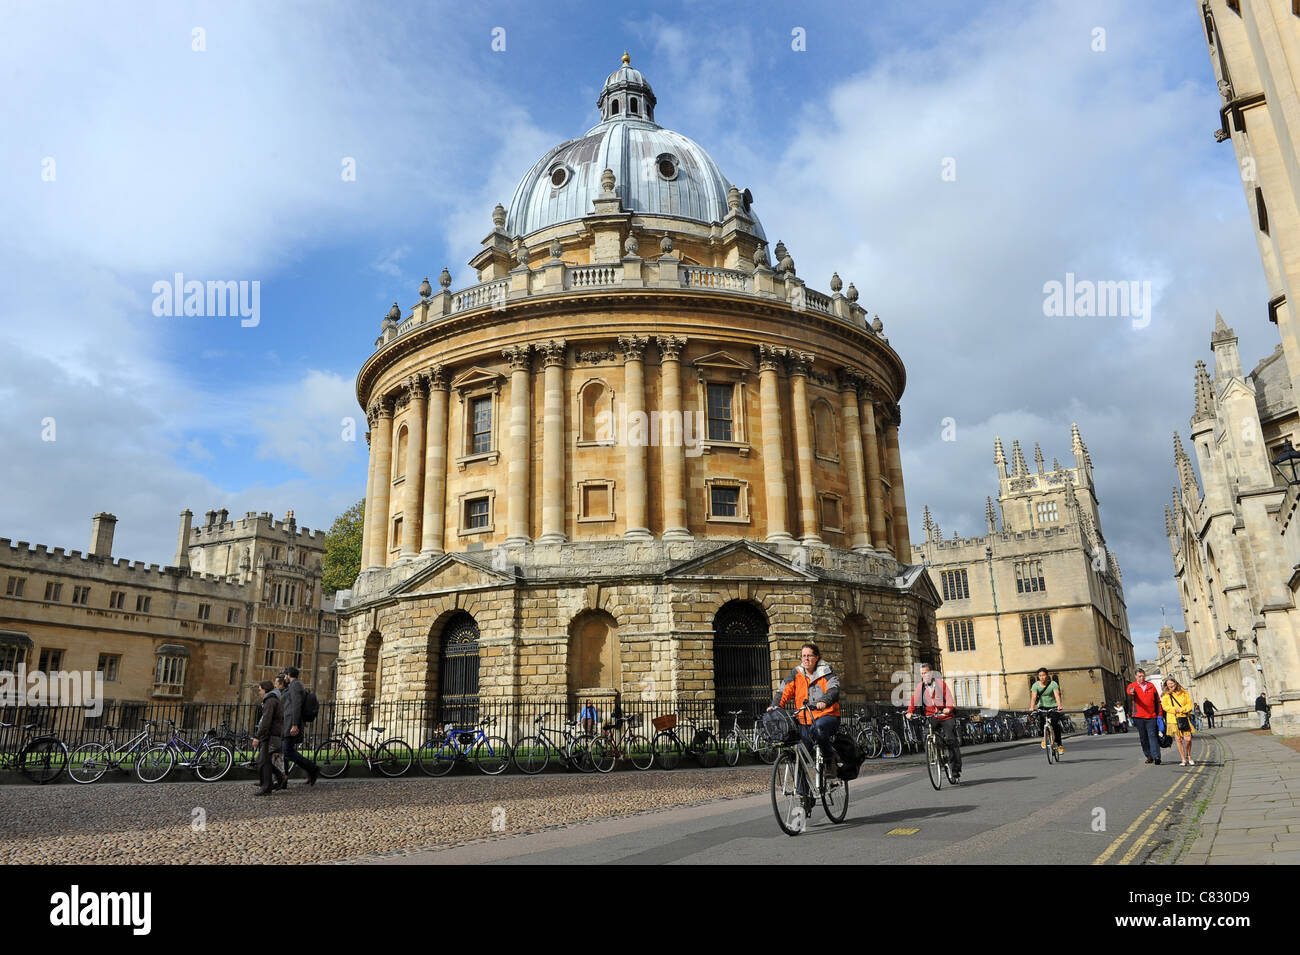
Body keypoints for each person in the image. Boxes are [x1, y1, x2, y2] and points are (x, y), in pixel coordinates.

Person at [769, 643, 841, 791]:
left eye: (809, 655)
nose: (806, 659)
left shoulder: (826, 672)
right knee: (799, 756)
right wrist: (774, 706)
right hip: (805, 719)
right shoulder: (796, 673)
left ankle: (829, 761)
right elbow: (783, 691)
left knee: (819, 729)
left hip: (826, 715)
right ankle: (804, 795)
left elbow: (834, 689)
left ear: (817, 657)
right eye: (803, 656)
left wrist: (824, 701)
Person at [906, 661, 962, 781]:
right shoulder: (920, 687)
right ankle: (935, 756)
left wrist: (948, 708)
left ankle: (955, 770)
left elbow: (949, 699)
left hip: (945, 716)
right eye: (922, 673)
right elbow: (913, 700)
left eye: (925, 673)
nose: (924, 675)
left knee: (951, 740)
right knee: (927, 736)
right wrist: (909, 712)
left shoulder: (941, 685)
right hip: (931, 717)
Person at [279, 666, 320, 786]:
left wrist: (295, 724)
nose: (284, 677)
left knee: (287, 751)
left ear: (288, 675)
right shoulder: (294, 685)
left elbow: (296, 705)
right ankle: (284, 778)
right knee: (286, 751)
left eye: (285, 675)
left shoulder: (295, 685)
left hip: (291, 723)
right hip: (289, 722)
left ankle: (313, 768)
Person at [251, 679, 286, 795]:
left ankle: (267, 788)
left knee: (263, 761)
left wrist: (257, 736)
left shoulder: (270, 701)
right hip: (272, 734)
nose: (259, 692)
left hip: (270, 735)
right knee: (262, 760)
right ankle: (280, 778)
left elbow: (266, 721)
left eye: (260, 690)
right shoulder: (272, 699)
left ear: (265, 690)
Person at [1127, 669, 1163, 765]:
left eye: (1143, 676)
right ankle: (1149, 756)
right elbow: (1129, 691)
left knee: (1153, 736)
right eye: (1139, 676)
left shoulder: (1151, 686)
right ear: (1136, 677)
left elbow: (1157, 701)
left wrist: (1159, 715)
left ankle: (1156, 757)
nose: (1142, 678)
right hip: (1139, 717)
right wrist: (1132, 692)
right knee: (1143, 738)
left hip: (1151, 716)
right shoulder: (1132, 686)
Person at [1028, 668, 1064, 756]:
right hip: (1042, 707)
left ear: (1047, 676)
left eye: (1043, 675)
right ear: (1038, 677)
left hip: (1053, 706)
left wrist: (1059, 705)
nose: (1042, 677)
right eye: (1040, 676)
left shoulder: (1053, 684)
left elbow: (1057, 695)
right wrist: (1032, 707)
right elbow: (1033, 697)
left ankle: (1059, 745)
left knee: (1055, 724)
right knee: (1041, 723)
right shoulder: (1035, 685)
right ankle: (1044, 737)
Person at [1161, 677, 1196, 766]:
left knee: (1188, 739)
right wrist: (1174, 710)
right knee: (1179, 739)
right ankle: (1183, 759)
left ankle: (1189, 756)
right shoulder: (1166, 695)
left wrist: (1181, 709)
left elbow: (1189, 704)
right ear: (1166, 685)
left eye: (1172, 683)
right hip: (1173, 719)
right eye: (1168, 684)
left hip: (1184, 717)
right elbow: (1165, 707)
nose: (1170, 685)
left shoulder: (1183, 692)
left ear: (1175, 683)